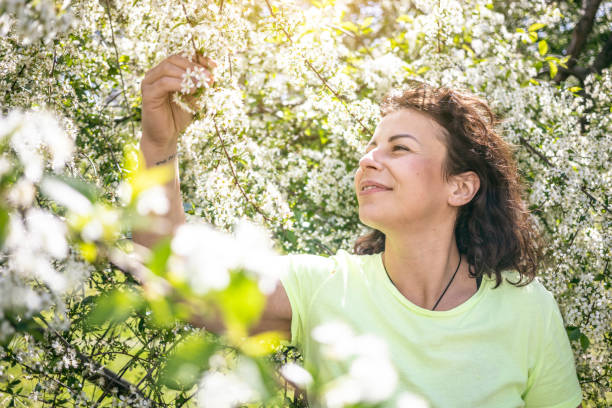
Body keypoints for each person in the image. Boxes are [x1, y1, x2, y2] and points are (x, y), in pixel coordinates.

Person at [134, 54, 583, 407]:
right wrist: (159, 142)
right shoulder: (325, 288)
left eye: (399, 148)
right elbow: (174, 278)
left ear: (460, 186)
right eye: (370, 148)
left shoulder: (529, 312)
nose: (368, 160)